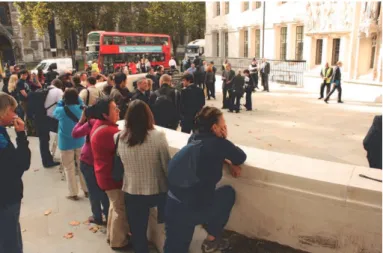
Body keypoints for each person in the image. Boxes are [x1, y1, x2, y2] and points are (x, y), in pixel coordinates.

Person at [163, 106, 247, 253]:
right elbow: (240, 157)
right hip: (193, 208)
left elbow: (206, 154)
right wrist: (224, 140)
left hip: (172, 203)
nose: (225, 127)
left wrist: (224, 158)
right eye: (223, 125)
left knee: (175, 247)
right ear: (215, 127)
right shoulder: (219, 144)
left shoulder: (193, 138)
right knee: (228, 194)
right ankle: (212, 239)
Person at [117, 100, 170, 253]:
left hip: (132, 190)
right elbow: (167, 166)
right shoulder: (158, 136)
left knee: (138, 231)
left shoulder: (121, 138)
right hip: (156, 191)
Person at [90, 97, 130, 250]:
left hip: (103, 174)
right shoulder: (109, 132)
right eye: (114, 109)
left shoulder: (99, 125)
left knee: (114, 206)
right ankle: (118, 242)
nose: (118, 110)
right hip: (111, 177)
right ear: (105, 114)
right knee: (120, 209)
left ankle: (112, 236)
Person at [0, 92, 31, 253]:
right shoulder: (2, 140)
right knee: (10, 241)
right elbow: (21, 164)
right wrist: (21, 135)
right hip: (6, 197)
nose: (15, 114)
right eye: (12, 111)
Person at [72, 109, 110, 225]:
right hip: (99, 162)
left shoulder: (92, 123)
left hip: (88, 160)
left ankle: (97, 216)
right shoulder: (106, 125)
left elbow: (75, 133)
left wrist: (81, 120)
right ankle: (107, 215)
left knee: (93, 191)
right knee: (103, 190)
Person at [53, 88, 88, 200]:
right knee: (82, 167)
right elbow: (82, 103)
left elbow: (54, 112)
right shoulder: (81, 109)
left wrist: (61, 101)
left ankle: (73, 193)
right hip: (80, 141)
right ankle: (86, 190)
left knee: (69, 168)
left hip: (66, 143)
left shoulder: (61, 111)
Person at [35, 79, 63, 168]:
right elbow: (63, 104)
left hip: (39, 117)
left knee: (43, 141)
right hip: (51, 119)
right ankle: (68, 157)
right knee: (66, 133)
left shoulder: (43, 90)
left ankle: (46, 161)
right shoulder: (58, 91)